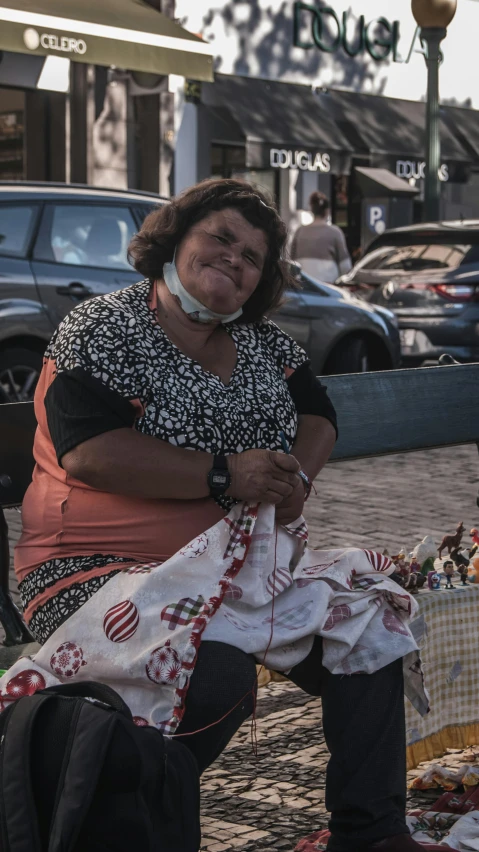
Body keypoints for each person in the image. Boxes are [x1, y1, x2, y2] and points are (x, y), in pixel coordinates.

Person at [8, 178, 423, 852]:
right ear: (175, 239)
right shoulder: (105, 324)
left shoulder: (264, 346)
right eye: (220, 238)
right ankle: (115, 818)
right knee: (214, 673)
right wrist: (226, 474)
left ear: (260, 282)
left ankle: (371, 832)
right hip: (93, 571)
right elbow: (87, 453)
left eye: (252, 256)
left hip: (231, 570)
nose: (234, 258)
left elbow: (318, 415)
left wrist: (296, 480)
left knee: (371, 612)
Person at [291, 191, 352, 283]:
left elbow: (292, 261)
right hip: (328, 286)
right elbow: (345, 266)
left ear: (311, 209)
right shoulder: (335, 232)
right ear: (327, 211)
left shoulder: (300, 231)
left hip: (304, 286)